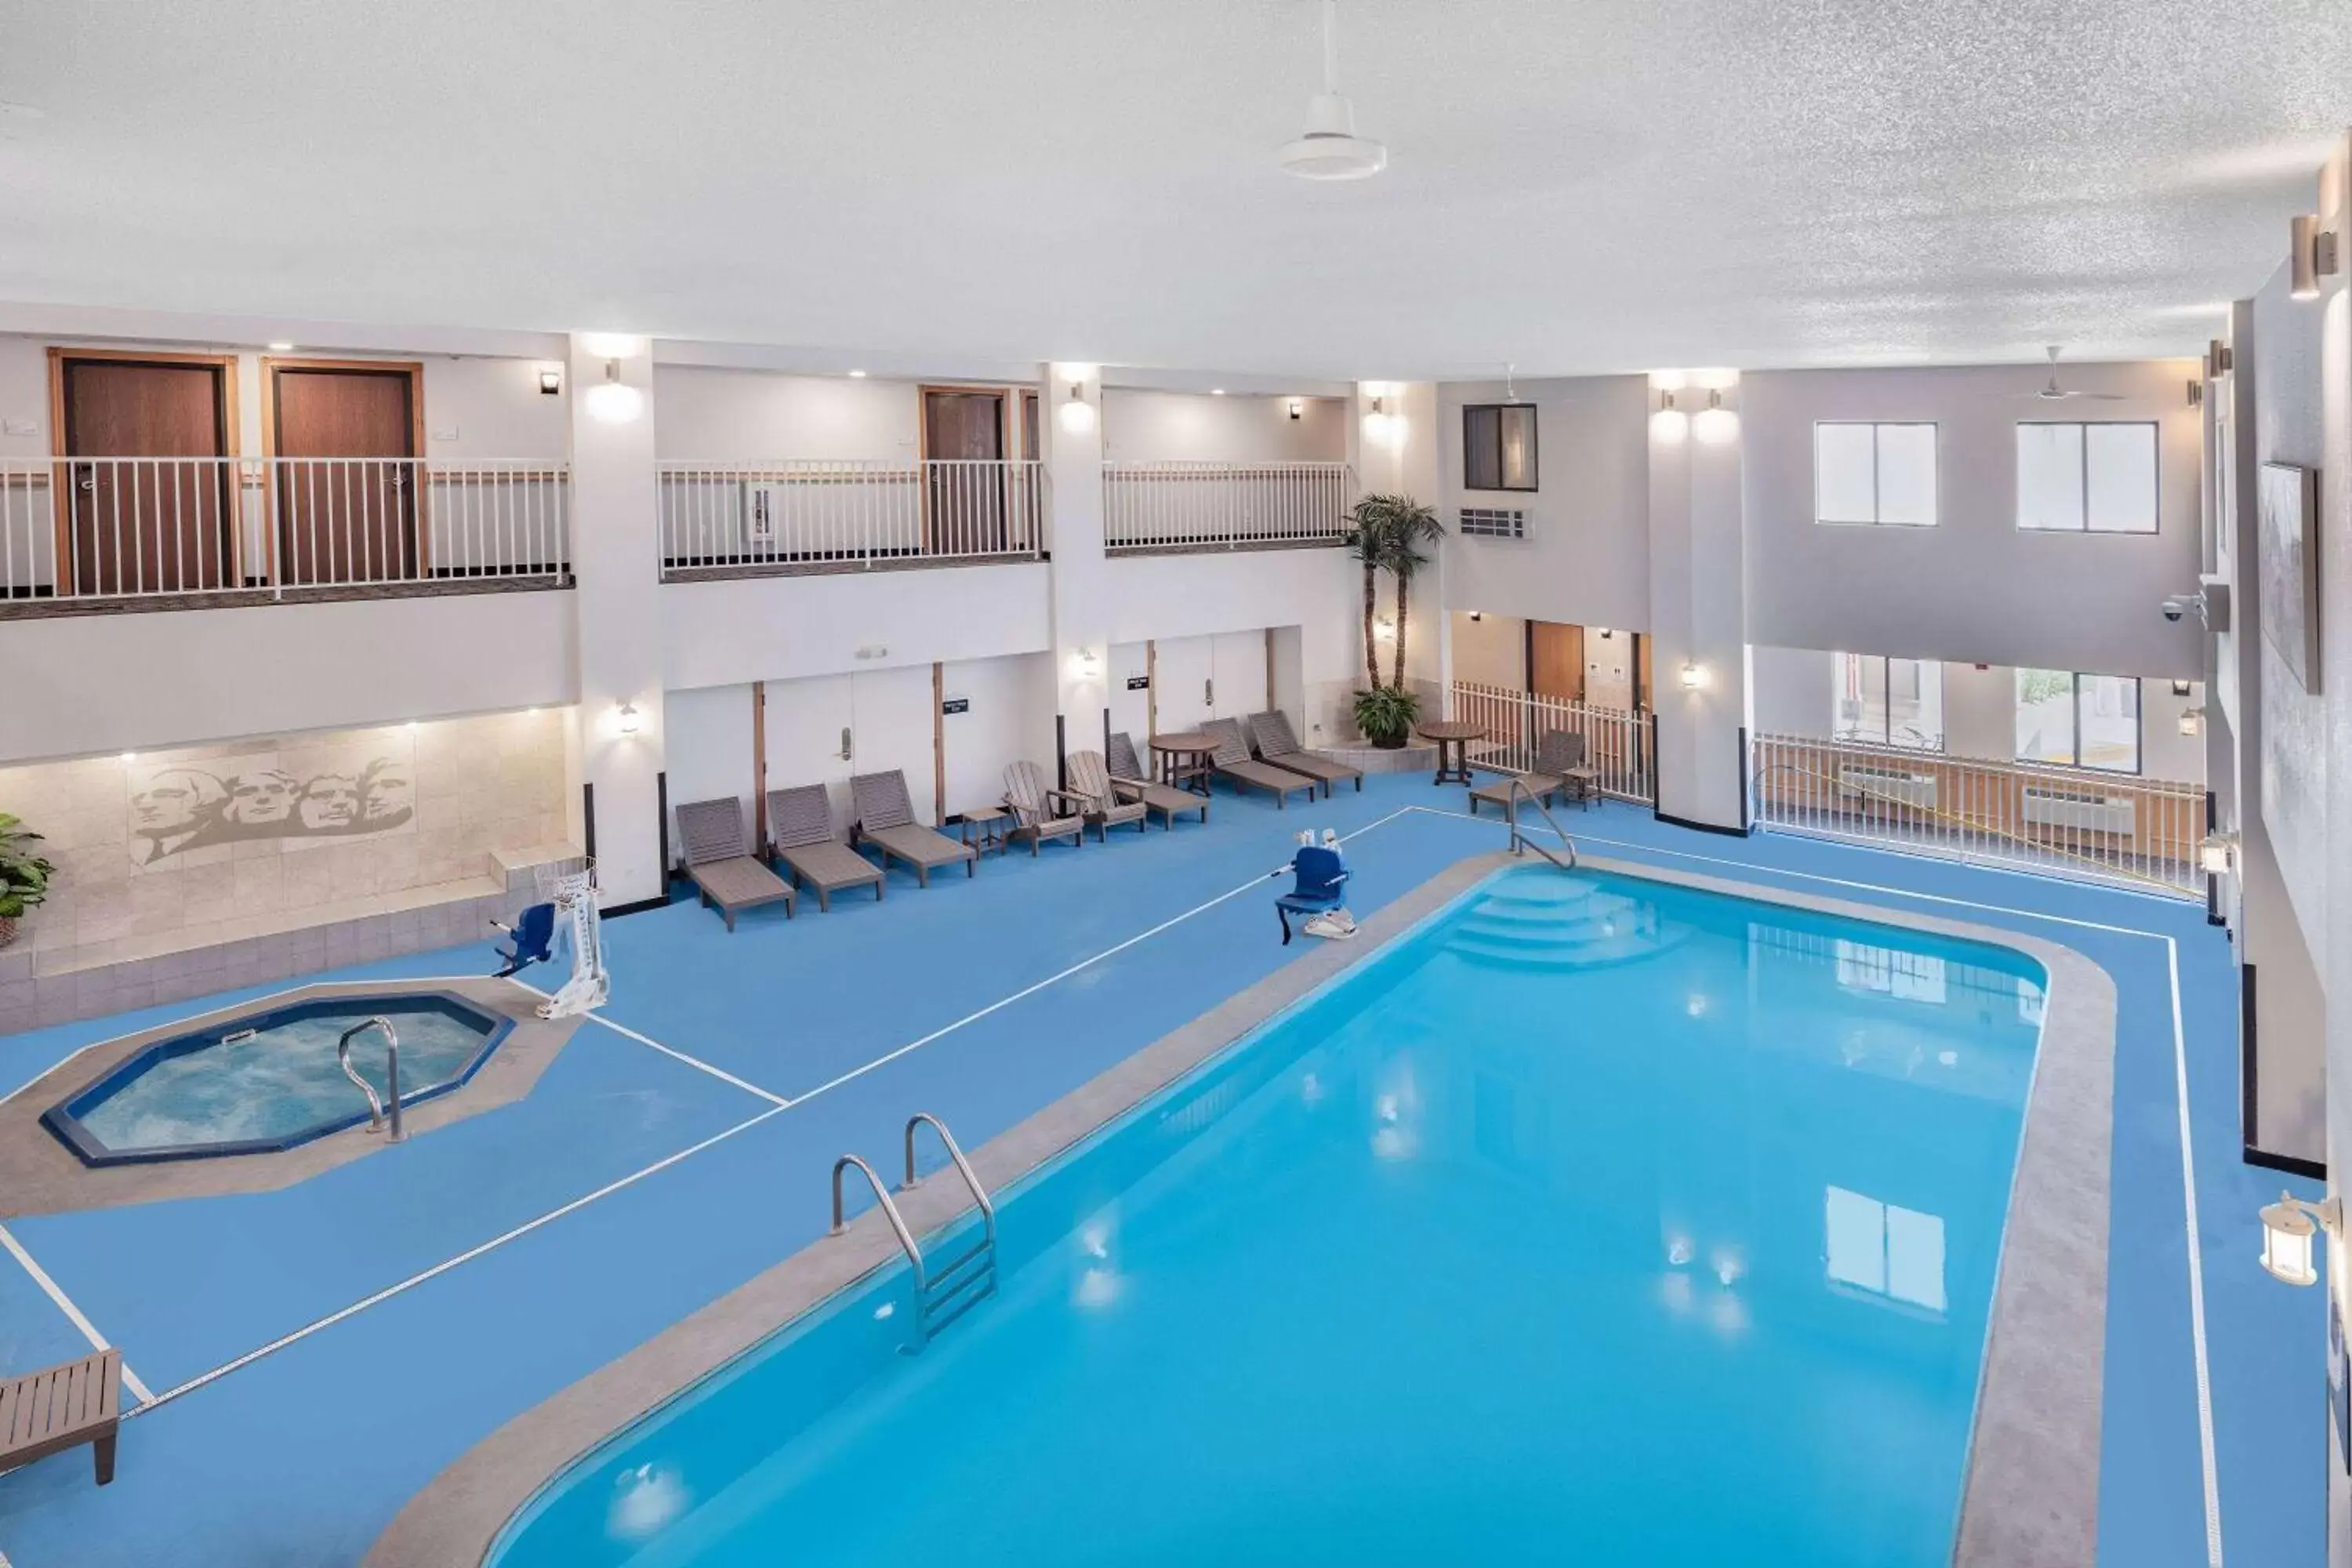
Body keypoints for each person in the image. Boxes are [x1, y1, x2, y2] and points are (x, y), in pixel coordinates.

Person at [130, 768, 227, 864]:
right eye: (138, 799)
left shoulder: (220, 846)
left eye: (164, 795)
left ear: (205, 801)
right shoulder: (145, 851)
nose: (144, 806)